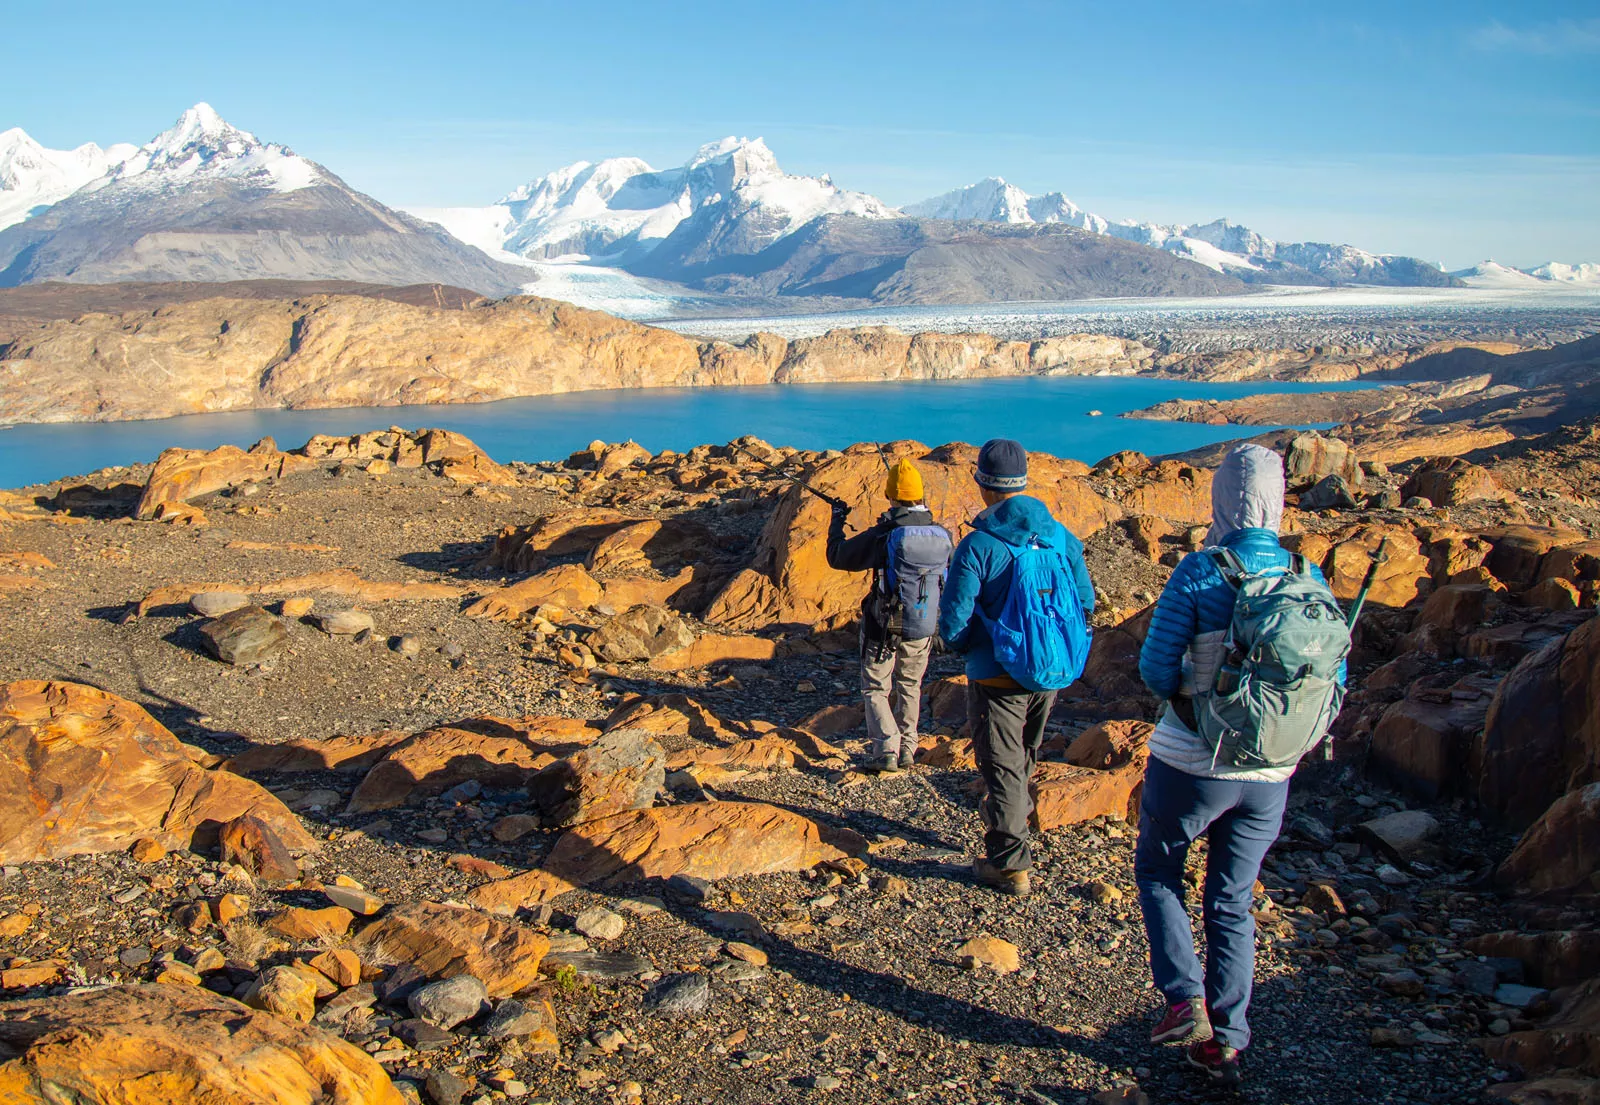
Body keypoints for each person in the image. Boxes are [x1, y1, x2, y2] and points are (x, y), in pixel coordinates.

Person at [1133, 442, 1345, 1086]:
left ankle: (1182, 999)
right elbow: (1334, 679)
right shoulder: (1308, 578)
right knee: (1231, 898)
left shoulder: (1200, 572)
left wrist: (1196, 705)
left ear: (1223, 500)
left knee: (1160, 869)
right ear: (1277, 500)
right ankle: (1228, 1040)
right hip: (1271, 776)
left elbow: (1153, 669)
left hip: (1192, 765)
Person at [938, 439, 1094, 897]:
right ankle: (1015, 823)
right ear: (1024, 480)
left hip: (995, 671)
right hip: (1049, 667)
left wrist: (967, 648)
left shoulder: (979, 545)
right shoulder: (1061, 537)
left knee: (1001, 762)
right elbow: (1084, 601)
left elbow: (955, 617)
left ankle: (1010, 864)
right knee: (1024, 753)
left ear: (983, 484)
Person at [826, 457, 953, 774]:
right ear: (920, 495)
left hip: (882, 626)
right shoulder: (941, 535)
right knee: (911, 685)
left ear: (891, 496)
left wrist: (837, 522)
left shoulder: (885, 534)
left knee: (875, 688)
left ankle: (886, 748)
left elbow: (838, 557)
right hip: (923, 626)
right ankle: (908, 747)